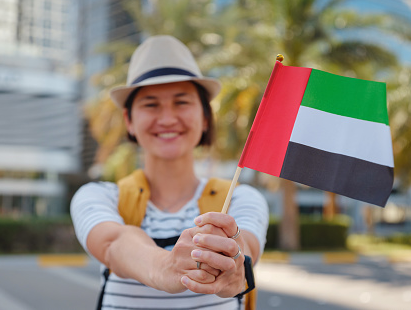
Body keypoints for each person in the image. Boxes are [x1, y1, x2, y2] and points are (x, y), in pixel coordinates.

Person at [71, 35, 269, 310]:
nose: (166, 119)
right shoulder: (99, 196)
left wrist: (236, 266)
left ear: (204, 118)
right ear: (129, 121)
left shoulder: (241, 199)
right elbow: (115, 243)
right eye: (151, 104)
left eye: (182, 102)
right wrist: (166, 267)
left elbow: (245, 250)